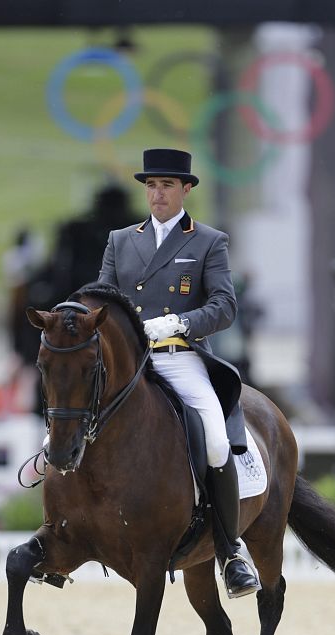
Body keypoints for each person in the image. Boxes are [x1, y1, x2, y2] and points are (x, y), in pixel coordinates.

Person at [98, 148, 259, 598]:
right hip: (132, 361)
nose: (157, 194)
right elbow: (102, 299)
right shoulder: (121, 240)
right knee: (75, 417)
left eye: (166, 185)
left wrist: (182, 323)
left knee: (213, 438)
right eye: (151, 186)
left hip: (179, 354)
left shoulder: (208, 240)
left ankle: (230, 551)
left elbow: (225, 306)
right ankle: (64, 527)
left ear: (185, 190)